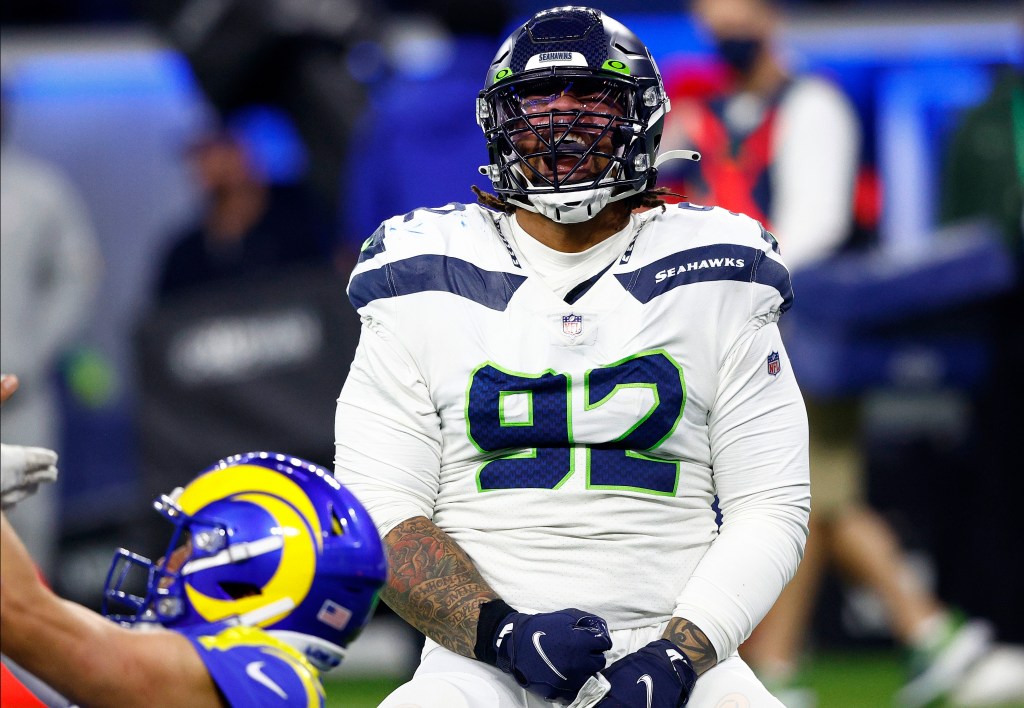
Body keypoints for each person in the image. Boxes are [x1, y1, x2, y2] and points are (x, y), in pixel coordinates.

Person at [334, 7, 809, 707]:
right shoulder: (420, 271)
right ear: (500, 120)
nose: (561, 117)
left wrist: (678, 656)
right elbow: (380, 511)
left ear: (641, 115)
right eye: (537, 98)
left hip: (680, 655)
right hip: (479, 664)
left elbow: (770, 505)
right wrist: (503, 636)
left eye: (589, 95)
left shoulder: (718, 270)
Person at [659, 1, 1024, 706]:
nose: (723, 30)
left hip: (808, 322)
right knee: (811, 497)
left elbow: (815, 227)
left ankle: (923, 638)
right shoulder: (704, 112)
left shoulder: (812, 103)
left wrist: (736, 295)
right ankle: (828, 659)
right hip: (733, 323)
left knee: (815, 491)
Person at [1, 373, 388, 708]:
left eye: (188, 545)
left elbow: (24, 615)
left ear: (251, 570)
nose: (166, 564)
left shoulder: (271, 679)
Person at [1, 93, 103, 577]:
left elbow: (75, 278)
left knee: (28, 527)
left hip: (20, 395)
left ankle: (25, 655)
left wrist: (29, 356)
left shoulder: (37, 190)